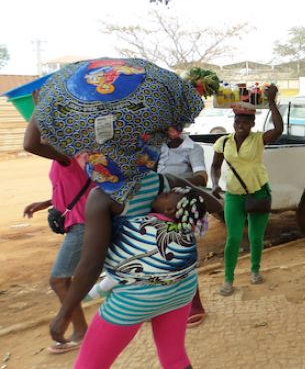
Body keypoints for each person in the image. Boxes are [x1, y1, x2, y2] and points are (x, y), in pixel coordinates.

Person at [34, 57, 212, 368]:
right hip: (181, 285)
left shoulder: (103, 198)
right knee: (174, 358)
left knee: (88, 365)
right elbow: (213, 205)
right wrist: (185, 205)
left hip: (136, 296)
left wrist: (63, 314)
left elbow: (89, 265)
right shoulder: (161, 180)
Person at [211, 85, 284, 296]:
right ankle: (228, 279)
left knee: (255, 236)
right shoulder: (223, 142)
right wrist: (215, 184)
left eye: (244, 122)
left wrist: (271, 101)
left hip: (259, 193)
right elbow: (215, 166)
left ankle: (255, 270)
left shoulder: (258, 139)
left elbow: (278, 130)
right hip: (234, 196)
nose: (240, 125)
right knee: (233, 238)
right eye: (237, 121)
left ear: (252, 123)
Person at [84, 187, 209, 300]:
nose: (160, 193)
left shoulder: (153, 226)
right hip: (169, 286)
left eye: (165, 195)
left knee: (122, 268)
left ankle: (96, 292)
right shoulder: (182, 232)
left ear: (169, 209)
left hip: (140, 280)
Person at [22, 158, 93, 354]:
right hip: (80, 219)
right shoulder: (66, 158)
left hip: (81, 222)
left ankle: (80, 332)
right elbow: (73, 188)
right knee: (66, 279)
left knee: (59, 280)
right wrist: (45, 203)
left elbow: (33, 146)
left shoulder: (67, 157)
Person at [157, 125, 209, 327]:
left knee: (181, 255)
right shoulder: (157, 147)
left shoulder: (192, 148)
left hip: (181, 210)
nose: (171, 129)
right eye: (167, 126)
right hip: (158, 206)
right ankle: (162, 305)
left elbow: (202, 177)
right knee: (158, 255)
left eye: (176, 125)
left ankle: (194, 304)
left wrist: (171, 181)